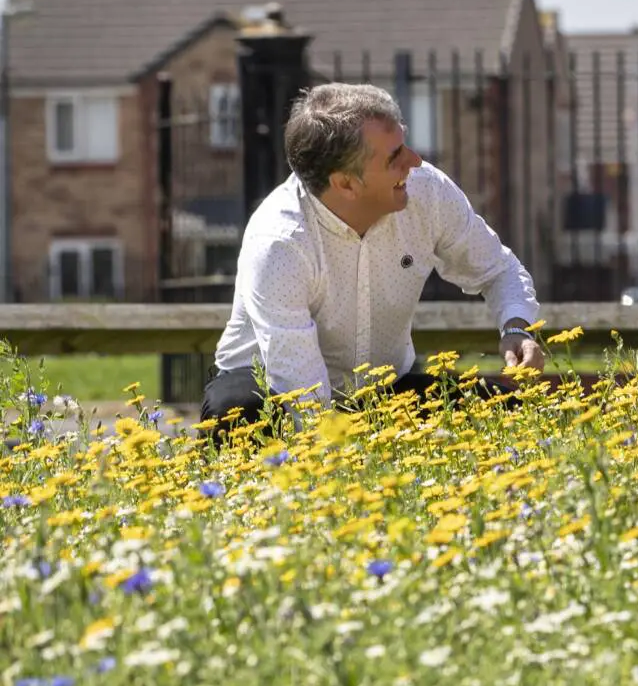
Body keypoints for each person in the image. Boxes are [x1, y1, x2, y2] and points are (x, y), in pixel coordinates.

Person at [203, 84, 546, 429]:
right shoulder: (280, 242)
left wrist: (517, 328)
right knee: (236, 414)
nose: (415, 161)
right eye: (395, 157)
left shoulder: (427, 190)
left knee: (509, 414)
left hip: (385, 388)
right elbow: (302, 398)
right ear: (346, 184)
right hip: (272, 389)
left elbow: (499, 270)